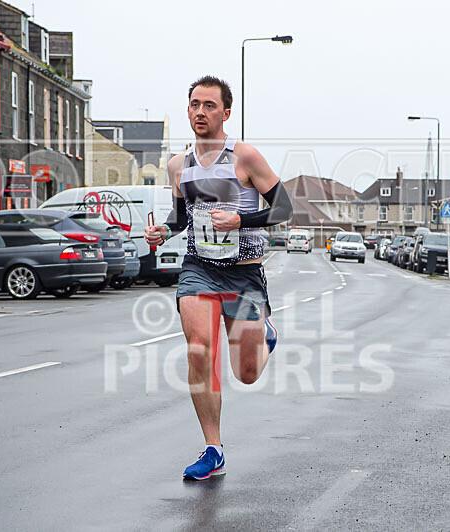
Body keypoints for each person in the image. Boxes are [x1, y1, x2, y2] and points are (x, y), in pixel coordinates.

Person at [144, 75, 293, 481]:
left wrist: (240, 220)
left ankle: (266, 333)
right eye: (195, 104)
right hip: (199, 269)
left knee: (247, 373)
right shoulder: (179, 165)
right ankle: (213, 449)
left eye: (209, 105)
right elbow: (180, 217)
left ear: (226, 113)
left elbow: (284, 209)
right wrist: (163, 231)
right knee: (199, 349)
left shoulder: (244, 157)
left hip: (244, 274)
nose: (200, 112)